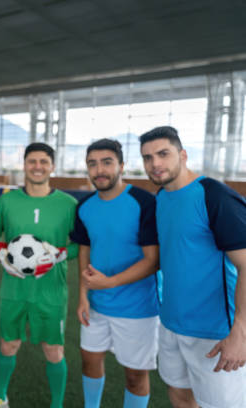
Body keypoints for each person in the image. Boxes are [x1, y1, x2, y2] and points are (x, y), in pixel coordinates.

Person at [139, 126, 246, 408]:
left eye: (163, 154)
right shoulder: (161, 198)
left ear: (183, 155)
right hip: (172, 323)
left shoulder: (215, 196)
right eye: (147, 158)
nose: (155, 163)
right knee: (180, 395)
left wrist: (241, 332)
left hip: (214, 331)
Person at [0, 142, 78, 408]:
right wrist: (3, 255)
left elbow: (79, 245)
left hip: (51, 291)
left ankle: (57, 405)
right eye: (32, 161)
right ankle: (0, 397)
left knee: (53, 350)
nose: (37, 167)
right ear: (24, 165)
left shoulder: (68, 204)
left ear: (52, 166)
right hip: (13, 289)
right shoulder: (7, 200)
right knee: (8, 344)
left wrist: (58, 255)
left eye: (43, 162)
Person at [70, 139, 160, 408]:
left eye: (107, 162)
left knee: (134, 376)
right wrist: (83, 295)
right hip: (97, 305)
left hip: (138, 308)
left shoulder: (144, 202)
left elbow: (152, 260)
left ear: (121, 165)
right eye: (92, 164)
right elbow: (85, 251)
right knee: (90, 360)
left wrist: (109, 282)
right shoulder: (84, 207)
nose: (99, 170)